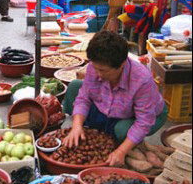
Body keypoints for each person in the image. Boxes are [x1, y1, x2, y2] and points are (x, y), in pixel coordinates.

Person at [62, 31, 168, 167]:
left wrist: (121, 151)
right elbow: (83, 98)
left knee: (122, 130)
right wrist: (76, 126)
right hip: (109, 105)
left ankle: (120, 136)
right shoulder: (94, 68)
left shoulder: (141, 79)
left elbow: (144, 121)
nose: (98, 74)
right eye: (96, 68)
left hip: (149, 115)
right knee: (74, 87)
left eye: (104, 71)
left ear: (122, 65)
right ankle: (107, 128)